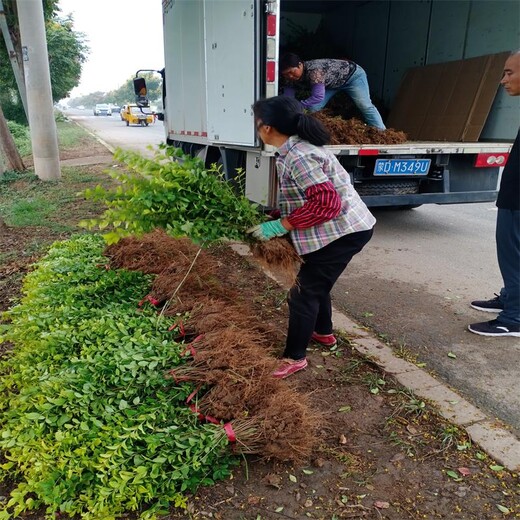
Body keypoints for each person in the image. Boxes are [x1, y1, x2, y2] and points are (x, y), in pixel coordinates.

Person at [247, 95, 376, 378]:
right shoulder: (292, 150)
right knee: (317, 282)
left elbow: (326, 203)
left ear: (267, 127)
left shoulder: (300, 156)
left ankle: (294, 357)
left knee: (304, 293)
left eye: (256, 123)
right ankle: (323, 332)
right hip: (339, 230)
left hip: (344, 232)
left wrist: (283, 225)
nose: (256, 128)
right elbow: (307, 197)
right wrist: (277, 216)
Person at [468, 50, 520, 337]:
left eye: (509, 73)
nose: (503, 80)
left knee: (513, 255)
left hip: (517, 200)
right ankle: (511, 299)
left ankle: (514, 318)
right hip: (514, 196)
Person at [280, 53, 386, 130]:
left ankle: (381, 131)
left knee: (364, 105)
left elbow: (318, 97)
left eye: (291, 72)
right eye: (286, 74)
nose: (290, 76)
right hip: (331, 83)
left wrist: (299, 105)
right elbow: (288, 98)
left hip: (353, 77)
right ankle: (311, 133)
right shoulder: (290, 79)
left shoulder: (315, 71)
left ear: (300, 65)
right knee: (313, 108)